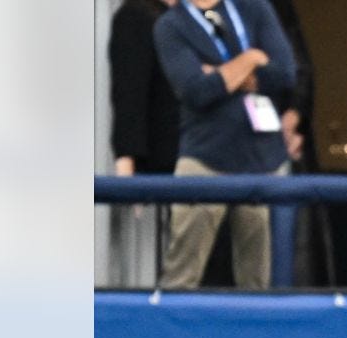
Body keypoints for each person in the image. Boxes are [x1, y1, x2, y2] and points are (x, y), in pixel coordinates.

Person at [152, 0, 296, 289]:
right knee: (182, 274)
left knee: (259, 279)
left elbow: (285, 74)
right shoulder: (171, 24)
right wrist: (251, 58)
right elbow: (195, 90)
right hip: (204, 157)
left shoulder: (254, 8)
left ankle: (255, 333)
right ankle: (169, 331)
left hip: (262, 161)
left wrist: (220, 73)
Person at [107, 0, 180, 287]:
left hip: (203, 159)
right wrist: (127, 164)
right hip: (163, 170)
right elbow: (128, 96)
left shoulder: (194, 18)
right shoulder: (136, 15)